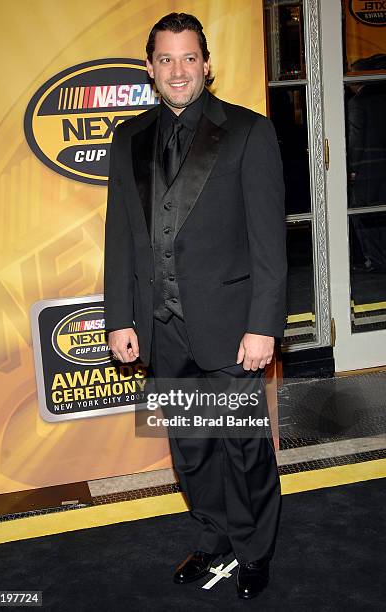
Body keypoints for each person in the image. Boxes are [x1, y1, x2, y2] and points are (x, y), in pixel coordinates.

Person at [104, 12, 287, 600]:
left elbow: (269, 243)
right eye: (165, 59)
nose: (178, 71)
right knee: (192, 449)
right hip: (163, 329)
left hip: (232, 328)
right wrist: (120, 318)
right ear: (150, 68)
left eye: (189, 58)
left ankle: (255, 551)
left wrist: (263, 326)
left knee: (243, 447)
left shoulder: (249, 132)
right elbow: (121, 238)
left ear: (207, 64)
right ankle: (215, 540)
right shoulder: (127, 137)